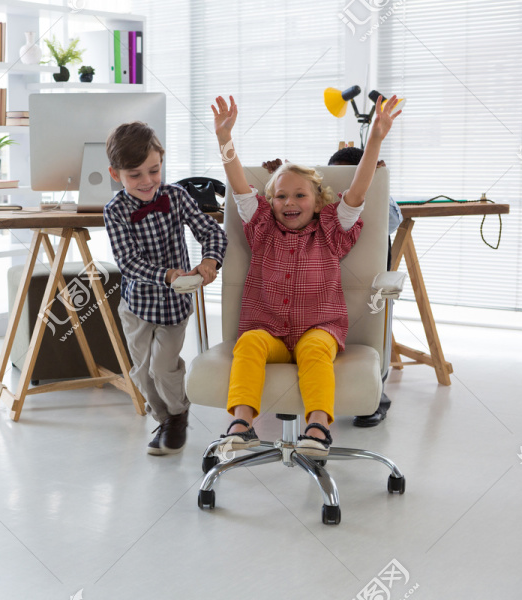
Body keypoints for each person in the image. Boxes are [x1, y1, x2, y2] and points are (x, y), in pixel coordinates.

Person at [211, 94, 401, 457]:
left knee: (315, 349)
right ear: (270, 202)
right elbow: (237, 184)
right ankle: (242, 424)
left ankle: (317, 427)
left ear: (318, 199)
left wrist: (375, 138)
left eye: (300, 195)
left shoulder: (332, 229)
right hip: (269, 333)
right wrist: (225, 140)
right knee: (248, 342)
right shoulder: (261, 227)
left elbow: (360, 191)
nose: (290, 203)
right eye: (281, 196)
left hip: (320, 329)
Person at [103, 121, 228, 455]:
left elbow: (212, 232)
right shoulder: (115, 211)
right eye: (135, 175)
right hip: (137, 306)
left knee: (163, 368)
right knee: (143, 374)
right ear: (116, 175)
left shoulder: (176, 196)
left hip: (173, 306)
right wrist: (167, 275)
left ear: (162, 162)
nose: (147, 181)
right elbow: (128, 263)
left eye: (154, 170)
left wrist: (210, 260)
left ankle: (178, 414)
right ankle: (165, 419)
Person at [262, 147, 400, 427]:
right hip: (297, 295)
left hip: (350, 285)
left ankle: (371, 395)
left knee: (368, 328)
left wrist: (375, 181)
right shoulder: (301, 214)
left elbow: (391, 219)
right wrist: (284, 180)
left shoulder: (353, 209)